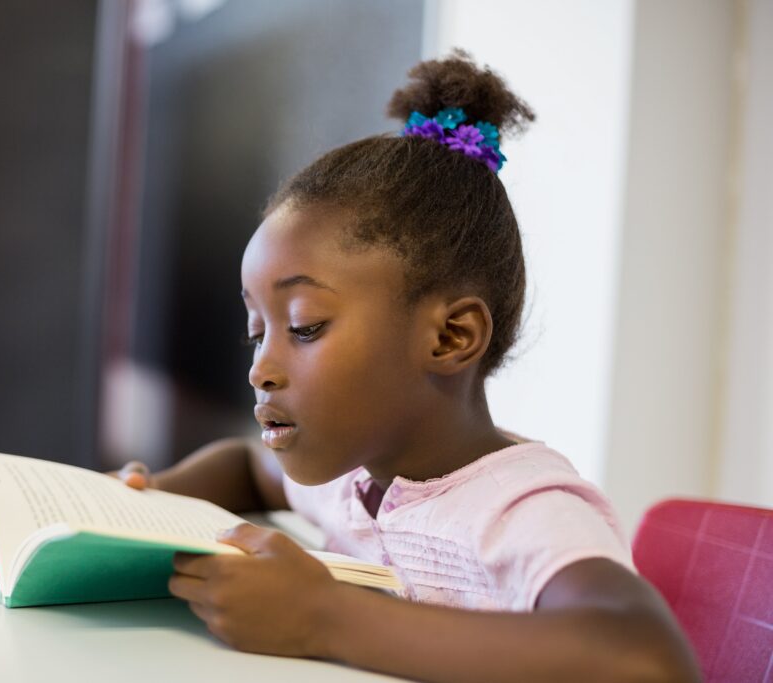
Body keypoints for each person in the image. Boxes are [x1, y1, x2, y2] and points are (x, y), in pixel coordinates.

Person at [117, 51, 701, 683]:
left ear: (451, 337)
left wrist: (322, 616)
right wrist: (145, 502)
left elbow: (649, 659)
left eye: (305, 326)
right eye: (257, 333)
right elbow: (246, 468)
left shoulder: (519, 512)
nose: (261, 368)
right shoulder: (347, 479)